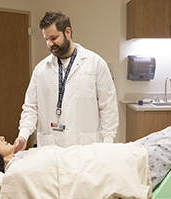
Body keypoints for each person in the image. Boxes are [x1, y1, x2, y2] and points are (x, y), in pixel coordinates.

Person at [0, 126, 171, 189]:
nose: (1, 138)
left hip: (106, 153)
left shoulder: (21, 161)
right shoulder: (20, 169)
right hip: (108, 161)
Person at [13, 10, 119, 153]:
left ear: (67, 32)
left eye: (54, 38)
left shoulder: (95, 64)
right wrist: (23, 135)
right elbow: (31, 107)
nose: (50, 44)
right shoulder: (41, 70)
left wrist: (108, 144)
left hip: (86, 147)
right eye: (46, 39)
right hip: (51, 147)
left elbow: (108, 107)